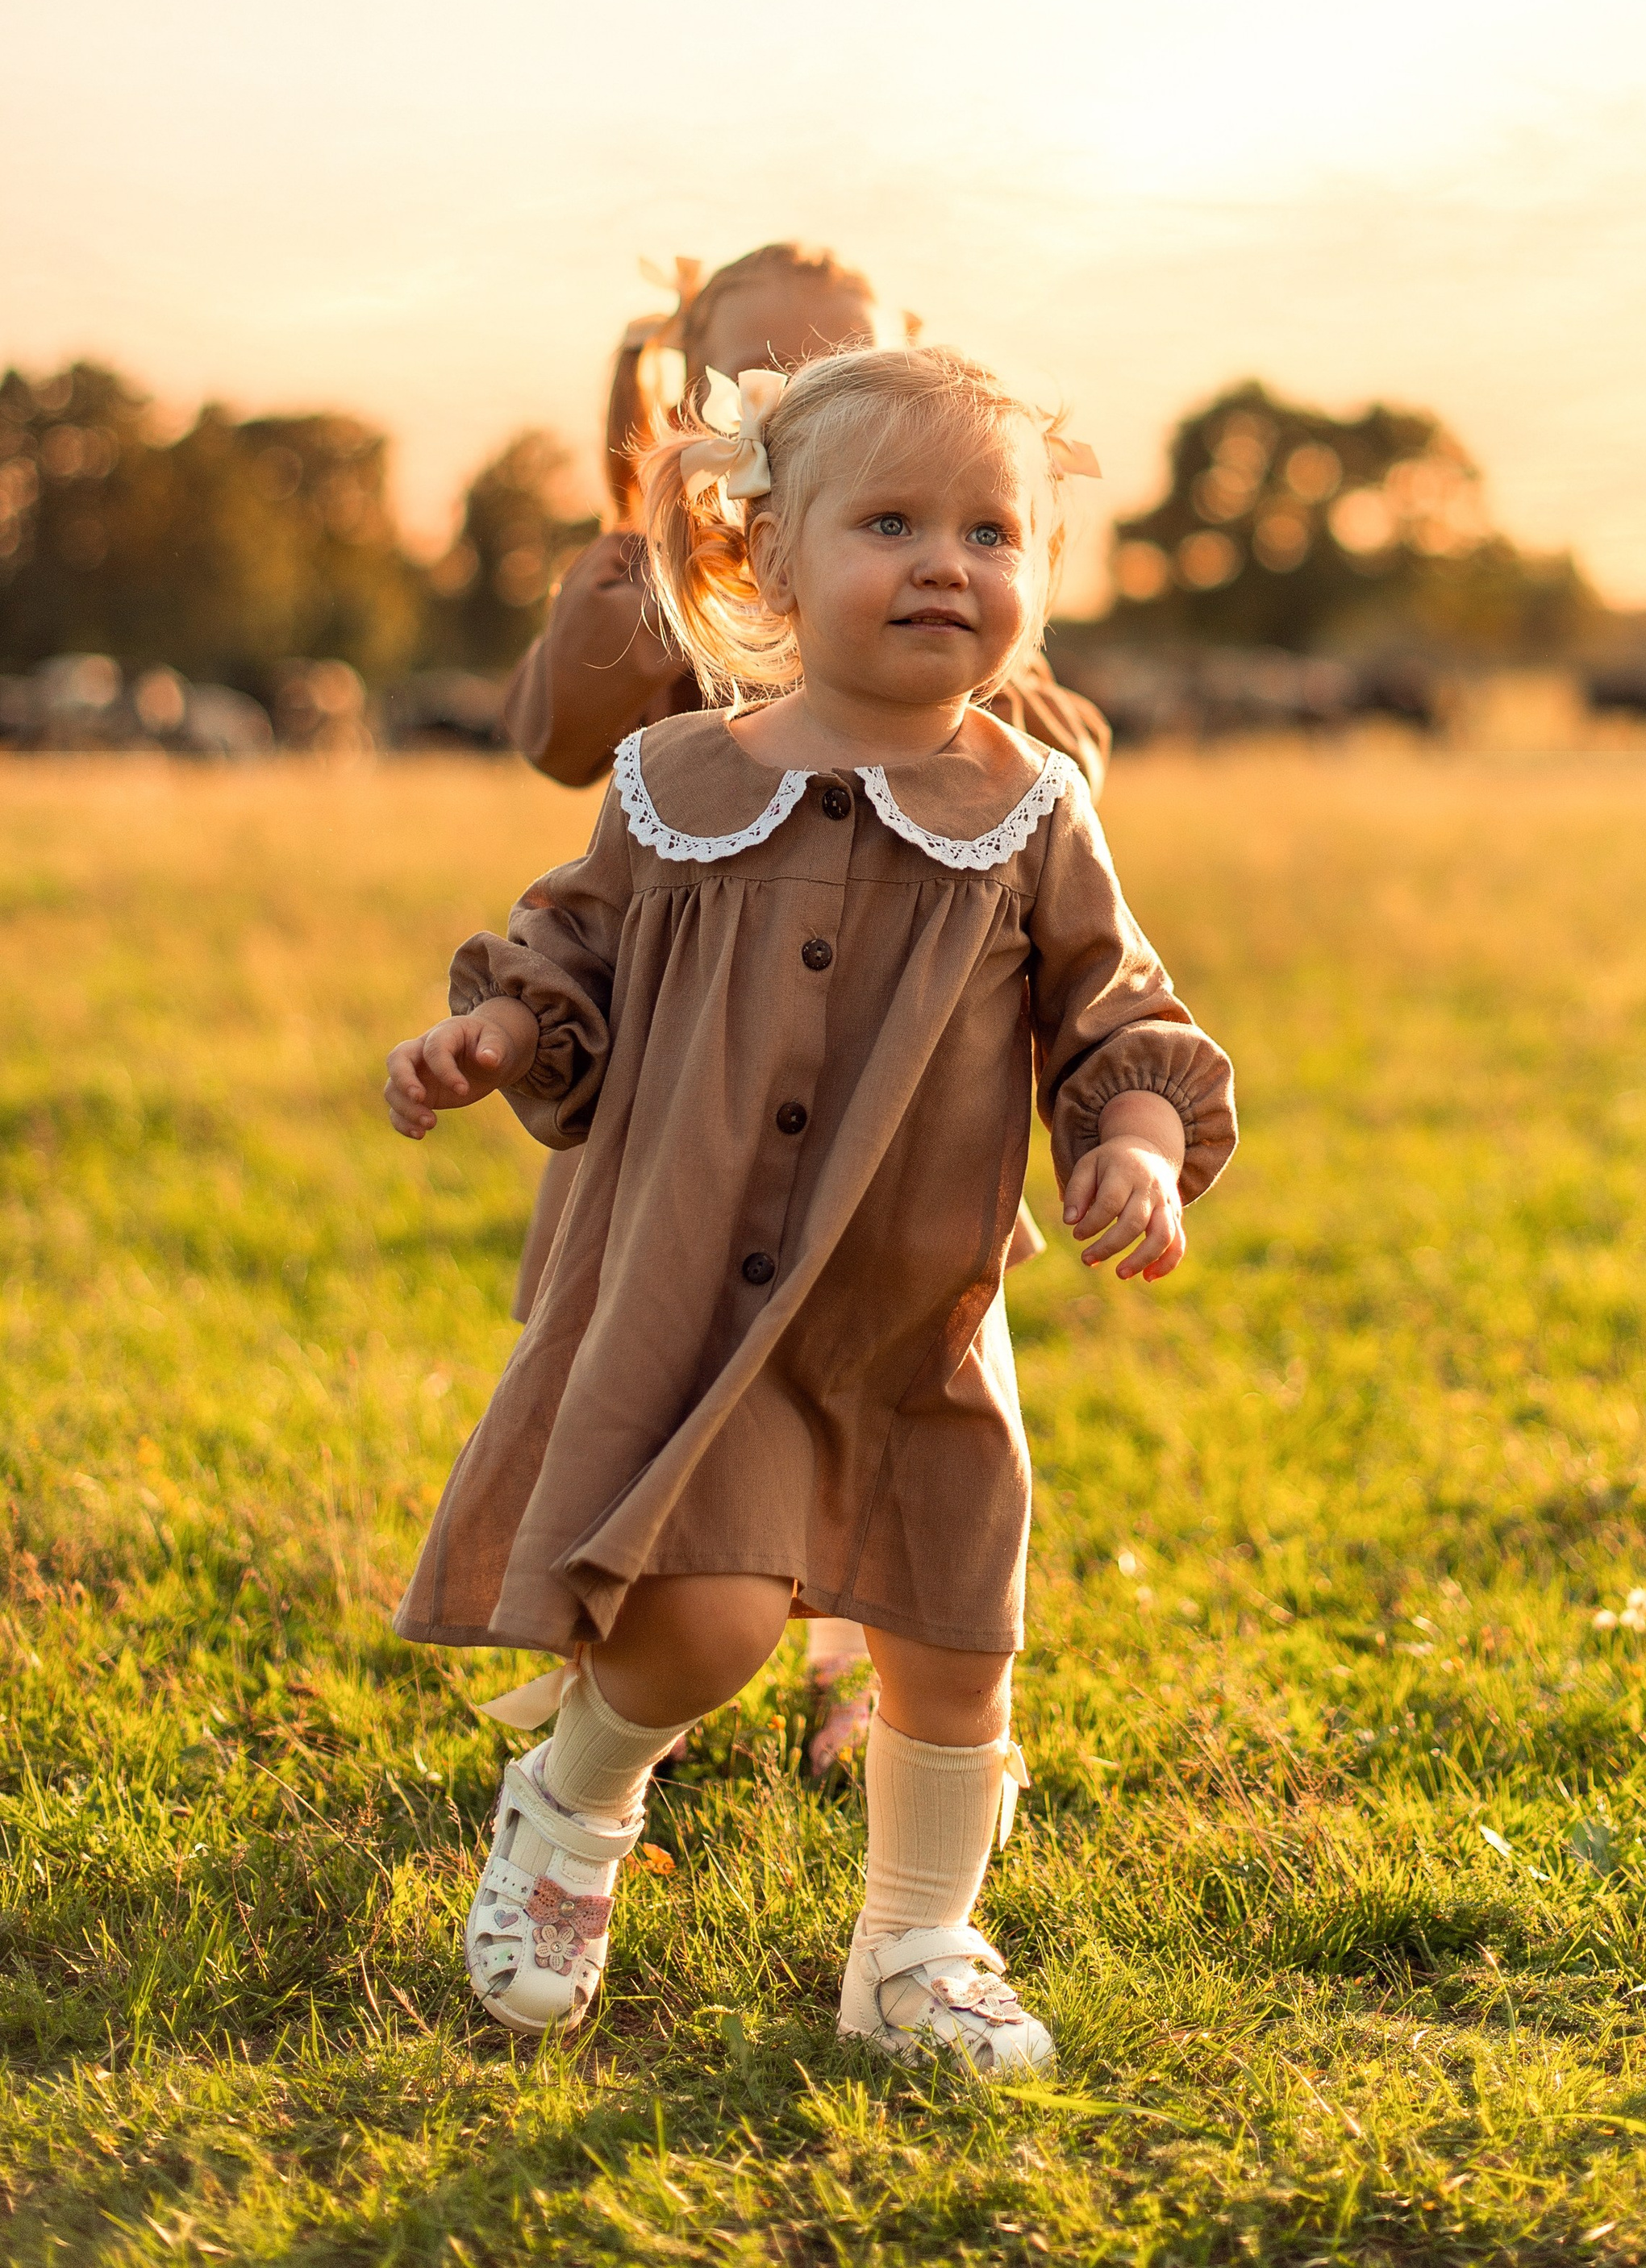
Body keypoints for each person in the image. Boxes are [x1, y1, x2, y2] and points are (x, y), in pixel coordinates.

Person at [385, 343, 1235, 2067]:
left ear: (1043, 579)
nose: (946, 561)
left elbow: (1119, 1012)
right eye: (893, 521)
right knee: (699, 1620)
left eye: (993, 531)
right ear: (767, 560)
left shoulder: (1029, 812)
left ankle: (916, 1947)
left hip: (914, 1312)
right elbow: (566, 951)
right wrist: (493, 1028)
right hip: (700, 1298)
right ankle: (571, 1806)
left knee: (948, 1633)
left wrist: (1133, 1136)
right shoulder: (674, 784)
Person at [498, 244, 1112, 1771]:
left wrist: (986, 713)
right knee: (661, 1359)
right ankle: (632, 1624)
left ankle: (856, 1661)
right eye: (765, 378)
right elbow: (557, 742)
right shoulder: (667, 592)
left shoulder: (956, 641)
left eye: (859, 363)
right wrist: (636, 556)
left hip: (892, 1112)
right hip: (694, 1087)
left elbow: (1063, 770)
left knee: (889, 1383)